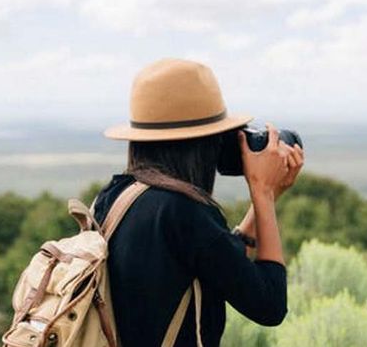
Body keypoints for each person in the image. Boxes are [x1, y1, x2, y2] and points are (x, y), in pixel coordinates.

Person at [94, 58, 304, 346]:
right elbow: (269, 305)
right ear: (205, 144)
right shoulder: (183, 213)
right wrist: (263, 193)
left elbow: (217, 257)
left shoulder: (114, 197)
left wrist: (265, 199)